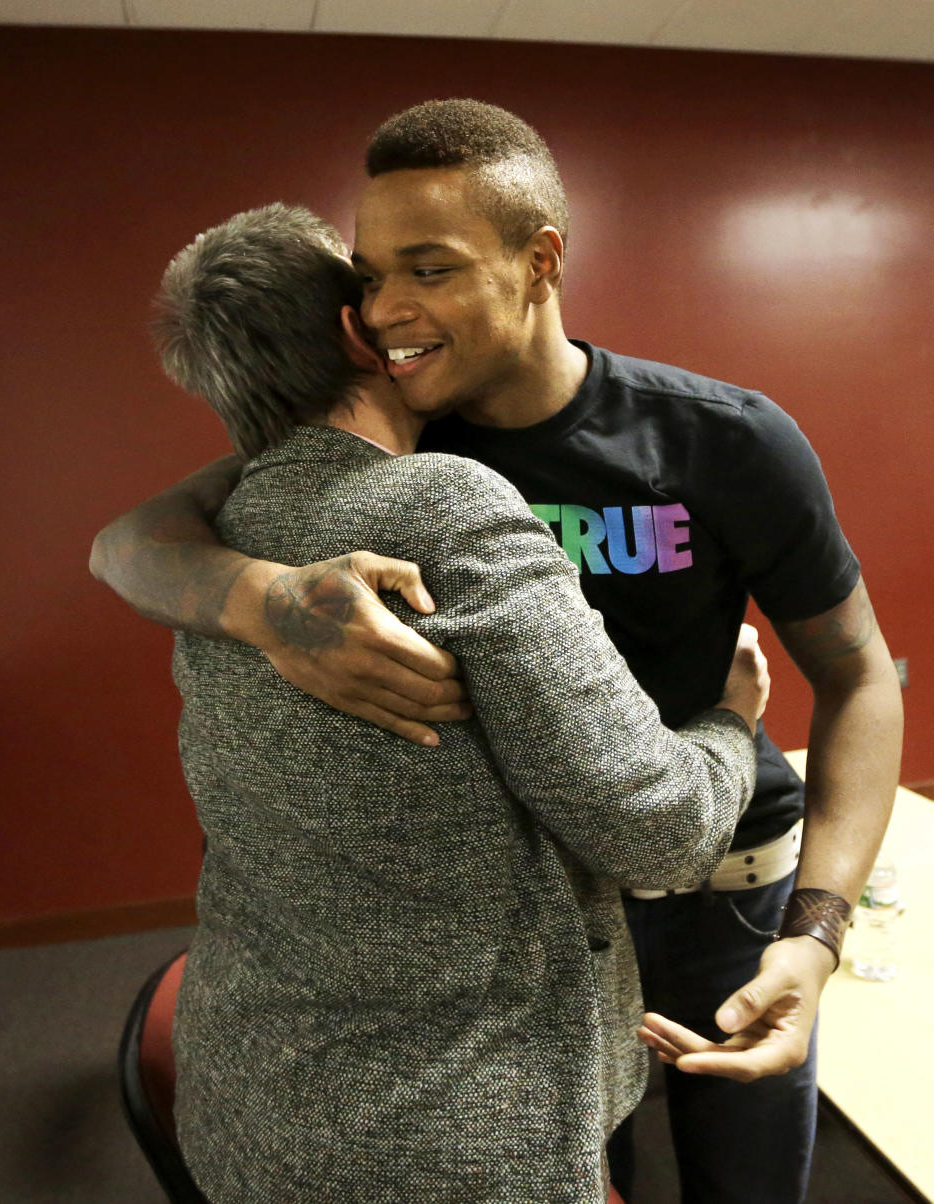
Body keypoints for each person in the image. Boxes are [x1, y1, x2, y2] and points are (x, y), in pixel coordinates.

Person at [90, 101, 903, 1203]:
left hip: (720, 889)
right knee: (586, 1160)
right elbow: (128, 542)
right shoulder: (401, 436)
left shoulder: (721, 437)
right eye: (368, 277)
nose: (385, 311)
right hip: (541, 930)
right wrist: (261, 598)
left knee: (745, 1176)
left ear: (540, 261)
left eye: (426, 269)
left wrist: (817, 931)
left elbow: (859, 675)